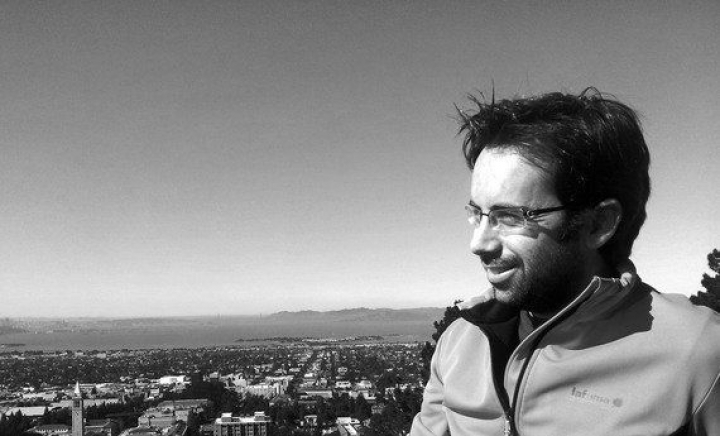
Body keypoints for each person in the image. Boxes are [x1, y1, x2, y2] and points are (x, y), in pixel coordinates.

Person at [410, 89, 720, 436]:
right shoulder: (460, 342)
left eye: (510, 217)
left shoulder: (699, 354)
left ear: (598, 224)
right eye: (477, 213)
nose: (478, 243)